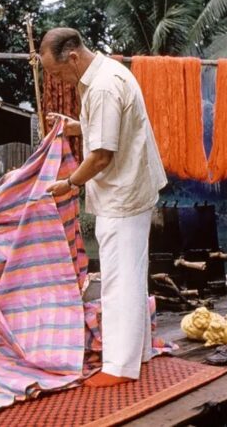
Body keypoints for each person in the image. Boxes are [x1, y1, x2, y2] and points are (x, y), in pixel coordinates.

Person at [40, 28, 167, 387]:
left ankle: (119, 366)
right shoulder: (108, 73)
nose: (58, 81)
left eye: (58, 72)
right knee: (131, 275)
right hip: (129, 188)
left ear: (73, 57)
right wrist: (75, 127)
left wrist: (70, 183)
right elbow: (111, 127)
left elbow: (100, 156)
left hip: (122, 194)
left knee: (118, 280)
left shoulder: (102, 86)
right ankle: (138, 353)